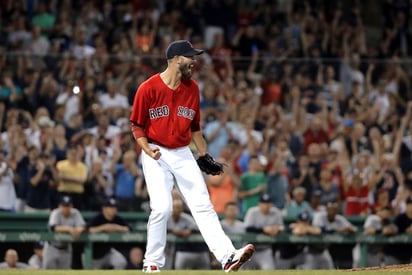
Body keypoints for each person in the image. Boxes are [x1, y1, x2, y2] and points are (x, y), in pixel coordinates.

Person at [129, 39, 254, 273]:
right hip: (155, 152)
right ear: (176, 59)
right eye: (190, 57)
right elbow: (136, 125)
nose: (194, 61)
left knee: (203, 205)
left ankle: (227, 257)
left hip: (182, 152)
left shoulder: (193, 88)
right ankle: (152, 263)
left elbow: (195, 127)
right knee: (162, 207)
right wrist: (146, 149)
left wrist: (204, 153)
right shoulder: (148, 88)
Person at [43, 196, 86, 269]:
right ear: (60, 206)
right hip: (52, 247)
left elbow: (83, 226)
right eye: (64, 206)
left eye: (68, 206)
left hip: (66, 248)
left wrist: (78, 230)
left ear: (71, 206)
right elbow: (54, 227)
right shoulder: (55, 213)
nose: (66, 208)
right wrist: (69, 229)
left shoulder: (75, 213)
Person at [243, 194, 284, 270]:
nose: (266, 205)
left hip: (265, 249)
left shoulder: (275, 212)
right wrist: (264, 230)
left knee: (269, 270)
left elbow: (282, 227)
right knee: (242, 271)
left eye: (268, 203)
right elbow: (248, 228)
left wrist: (276, 229)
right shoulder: (252, 211)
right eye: (264, 203)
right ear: (259, 204)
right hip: (249, 249)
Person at [86, 198, 129, 269]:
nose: (113, 210)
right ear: (104, 209)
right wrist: (104, 227)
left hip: (108, 252)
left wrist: (116, 227)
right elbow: (88, 229)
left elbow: (128, 229)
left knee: (121, 262)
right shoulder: (98, 218)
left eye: (115, 208)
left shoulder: (117, 219)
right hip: (94, 255)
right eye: (111, 207)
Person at [167, 198, 211, 270]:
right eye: (175, 208)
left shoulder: (187, 218)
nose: (177, 210)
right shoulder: (166, 217)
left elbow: (198, 228)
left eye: (179, 208)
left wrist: (189, 231)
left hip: (195, 249)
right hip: (170, 248)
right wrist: (173, 231)